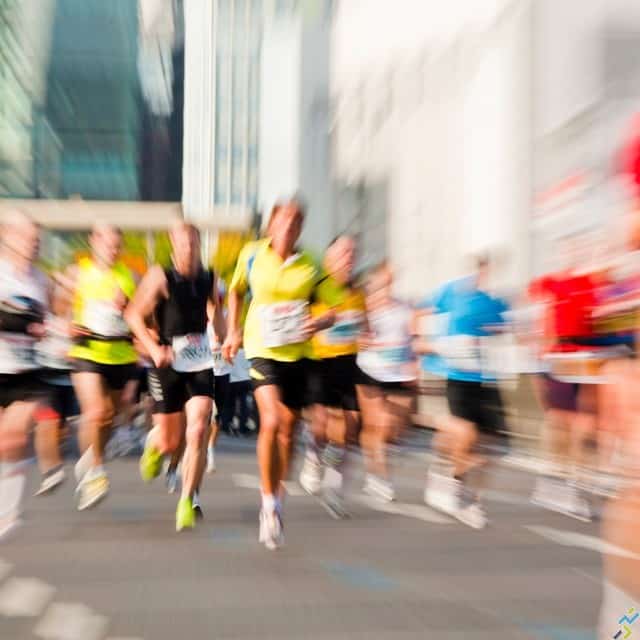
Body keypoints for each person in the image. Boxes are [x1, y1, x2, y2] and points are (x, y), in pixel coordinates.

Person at [222, 199, 334, 550]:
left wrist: (321, 319)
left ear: (299, 229)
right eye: (282, 222)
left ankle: (277, 498)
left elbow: (331, 306)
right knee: (270, 422)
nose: (287, 228)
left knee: (288, 431)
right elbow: (236, 292)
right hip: (262, 349)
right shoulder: (252, 254)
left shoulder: (312, 262)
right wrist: (233, 332)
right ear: (271, 226)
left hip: (298, 355)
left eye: (294, 224)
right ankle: (267, 504)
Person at [126, 220, 225, 531]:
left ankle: (187, 500)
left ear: (199, 244)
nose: (188, 248)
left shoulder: (208, 276)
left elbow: (216, 314)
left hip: (199, 360)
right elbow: (133, 315)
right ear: (173, 244)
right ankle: (156, 446)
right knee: (172, 441)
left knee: (197, 429)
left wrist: (223, 332)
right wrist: (153, 348)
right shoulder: (161, 276)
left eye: (193, 243)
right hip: (167, 360)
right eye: (183, 243)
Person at [415, 255, 509, 529]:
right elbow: (420, 313)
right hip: (457, 375)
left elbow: (503, 327)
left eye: (490, 272)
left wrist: (493, 331)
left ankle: (473, 499)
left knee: (489, 447)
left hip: (486, 378)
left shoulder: (495, 301)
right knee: (466, 435)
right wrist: (428, 343)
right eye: (481, 271)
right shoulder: (451, 292)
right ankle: (455, 486)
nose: (484, 277)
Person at [69, 223, 138, 511]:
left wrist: (128, 307)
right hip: (86, 351)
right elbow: (59, 307)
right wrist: (68, 325)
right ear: (93, 242)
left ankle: (89, 458)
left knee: (108, 417)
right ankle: (95, 472)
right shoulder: (79, 274)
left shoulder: (130, 276)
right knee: (96, 412)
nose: (112, 250)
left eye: (116, 245)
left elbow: (140, 315)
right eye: (107, 244)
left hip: (119, 354)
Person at [299, 235, 366, 518]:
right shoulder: (315, 288)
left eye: (352, 253)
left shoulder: (357, 292)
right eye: (343, 252)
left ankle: (334, 489)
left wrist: (367, 333)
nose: (348, 258)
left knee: (350, 427)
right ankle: (313, 455)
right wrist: (317, 323)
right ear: (329, 258)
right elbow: (298, 321)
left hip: (347, 362)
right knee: (323, 422)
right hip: (318, 361)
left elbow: (364, 324)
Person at [0, 211, 49, 537]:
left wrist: (44, 329)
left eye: (37, 241)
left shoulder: (40, 280)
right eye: (28, 239)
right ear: (8, 236)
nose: (34, 246)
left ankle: (8, 512)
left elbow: (47, 320)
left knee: (14, 436)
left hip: (26, 369)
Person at [356, 262, 416, 503]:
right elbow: (356, 336)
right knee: (378, 424)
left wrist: (415, 364)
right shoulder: (366, 308)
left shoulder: (404, 307)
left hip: (399, 372)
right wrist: (363, 339)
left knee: (394, 428)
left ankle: (376, 464)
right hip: (370, 369)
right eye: (383, 281)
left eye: (391, 280)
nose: (388, 285)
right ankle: (379, 476)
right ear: (375, 282)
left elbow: (412, 337)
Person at [33, 270, 77, 496]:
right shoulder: (42, 314)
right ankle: (51, 472)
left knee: (61, 429)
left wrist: (73, 352)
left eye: (66, 295)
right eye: (58, 294)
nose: (62, 298)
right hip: (45, 376)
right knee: (46, 425)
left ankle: (56, 459)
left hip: (70, 379)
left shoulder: (76, 317)